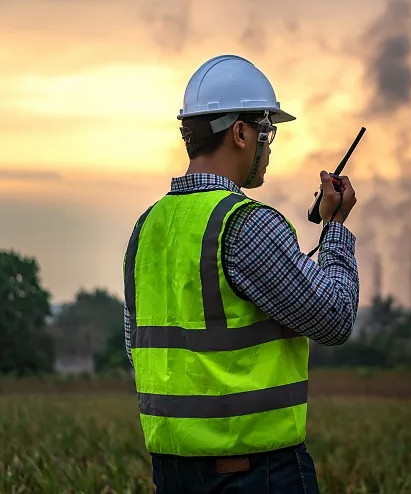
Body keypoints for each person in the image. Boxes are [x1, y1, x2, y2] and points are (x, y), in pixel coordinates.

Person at [122, 54, 359, 493]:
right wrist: (336, 229)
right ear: (240, 132)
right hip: (257, 473)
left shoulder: (147, 227)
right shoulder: (246, 223)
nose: (268, 146)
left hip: (172, 475)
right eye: (268, 132)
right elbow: (335, 319)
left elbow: (140, 348)